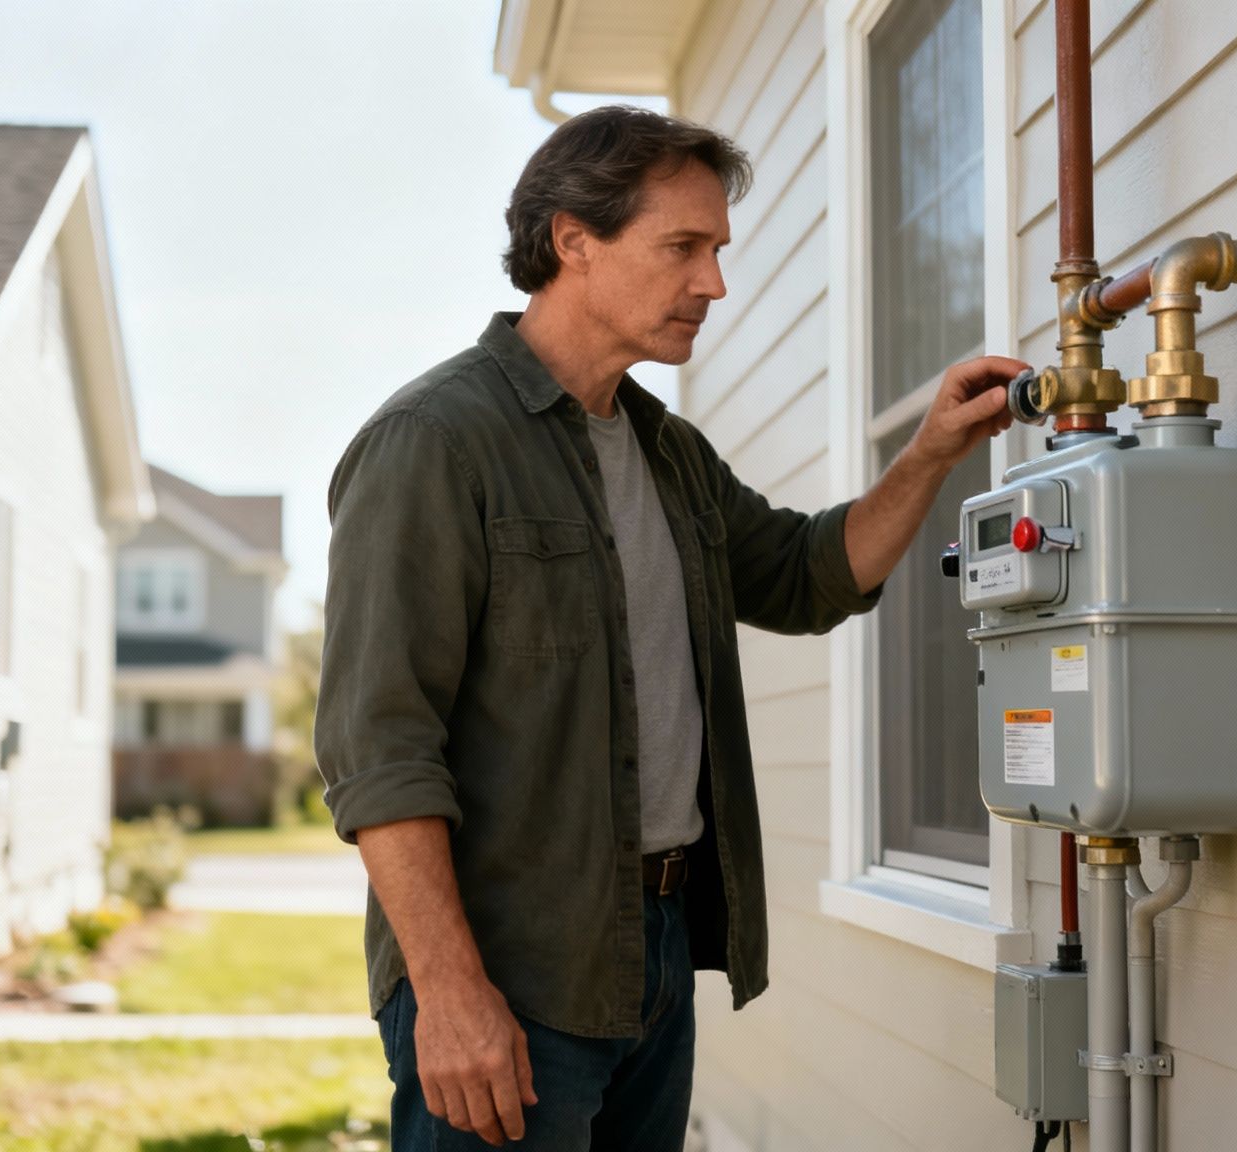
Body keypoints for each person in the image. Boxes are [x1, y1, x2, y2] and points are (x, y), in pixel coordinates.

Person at [315, 105, 1025, 1150]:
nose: (713, 284)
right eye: (681, 248)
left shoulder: (666, 452)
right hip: (507, 974)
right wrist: (452, 995)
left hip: (649, 951)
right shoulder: (433, 443)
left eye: (717, 251)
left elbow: (802, 576)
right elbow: (378, 752)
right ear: (573, 240)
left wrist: (925, 455)